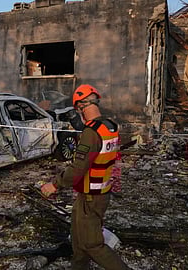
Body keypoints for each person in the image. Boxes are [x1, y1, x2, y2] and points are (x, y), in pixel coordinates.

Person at [41, 84, 129, 270]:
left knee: (92, 245)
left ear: (81, 106)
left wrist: (54, 185)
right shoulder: (109, 125)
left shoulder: (91, 133)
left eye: (77, 109)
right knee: (79, 240)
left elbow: (78, 168)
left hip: (92, 196)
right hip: (96, 193)